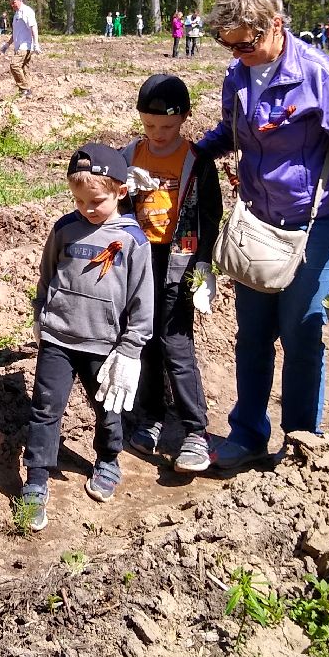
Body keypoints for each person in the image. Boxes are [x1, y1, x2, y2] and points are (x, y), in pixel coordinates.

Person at [194, 0, 329, 472]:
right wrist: (184, 155)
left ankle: (303, 438)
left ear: (275, 26)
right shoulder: (238, 76)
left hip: (320, 222)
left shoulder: (320, 76)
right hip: (261, 222)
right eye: (227, 44)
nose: (237, 53)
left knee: (301, 330)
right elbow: (232, 133)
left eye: (246, 43)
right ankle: (248, 434)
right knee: (253, 333)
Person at [21, 143, 153, 531]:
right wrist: (40, 312)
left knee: (108, 409)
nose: (86, 209)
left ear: (120, 192)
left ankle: (109, 458)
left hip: (105, 344)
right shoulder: (65, 228)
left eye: (95, 201)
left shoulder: (132, 240)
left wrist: (131, 347)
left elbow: (142, 300)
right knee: (46, 408)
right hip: (59, 338)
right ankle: (37, 480)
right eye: (78, 200)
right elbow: (48, 274)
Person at [121, 74, 223, 473]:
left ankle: (195, 430)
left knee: (175, 340)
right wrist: (123, 189)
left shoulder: (196, 162)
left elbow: (209, 214)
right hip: (140, 259)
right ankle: (150, 417)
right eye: (149, 126)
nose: (157, 134)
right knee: (142, 338)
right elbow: (105, 201)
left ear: (184, 119)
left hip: (179, 260)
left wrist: (204, 265)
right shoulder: (130, 154)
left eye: (166, 127)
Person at [3, 0, 40, 98]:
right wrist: (7, 44)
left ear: (20, 0)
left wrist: (36, 44)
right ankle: (27, 94)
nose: (12, 4)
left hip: (25, 46)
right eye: (11, 2)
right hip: (18, 46)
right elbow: (15, 33)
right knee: (23, 69)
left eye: (13, 2)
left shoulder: (27, 11)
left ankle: (25, 89)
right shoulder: (16, 14)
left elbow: (34, 27)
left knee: (14, 65)